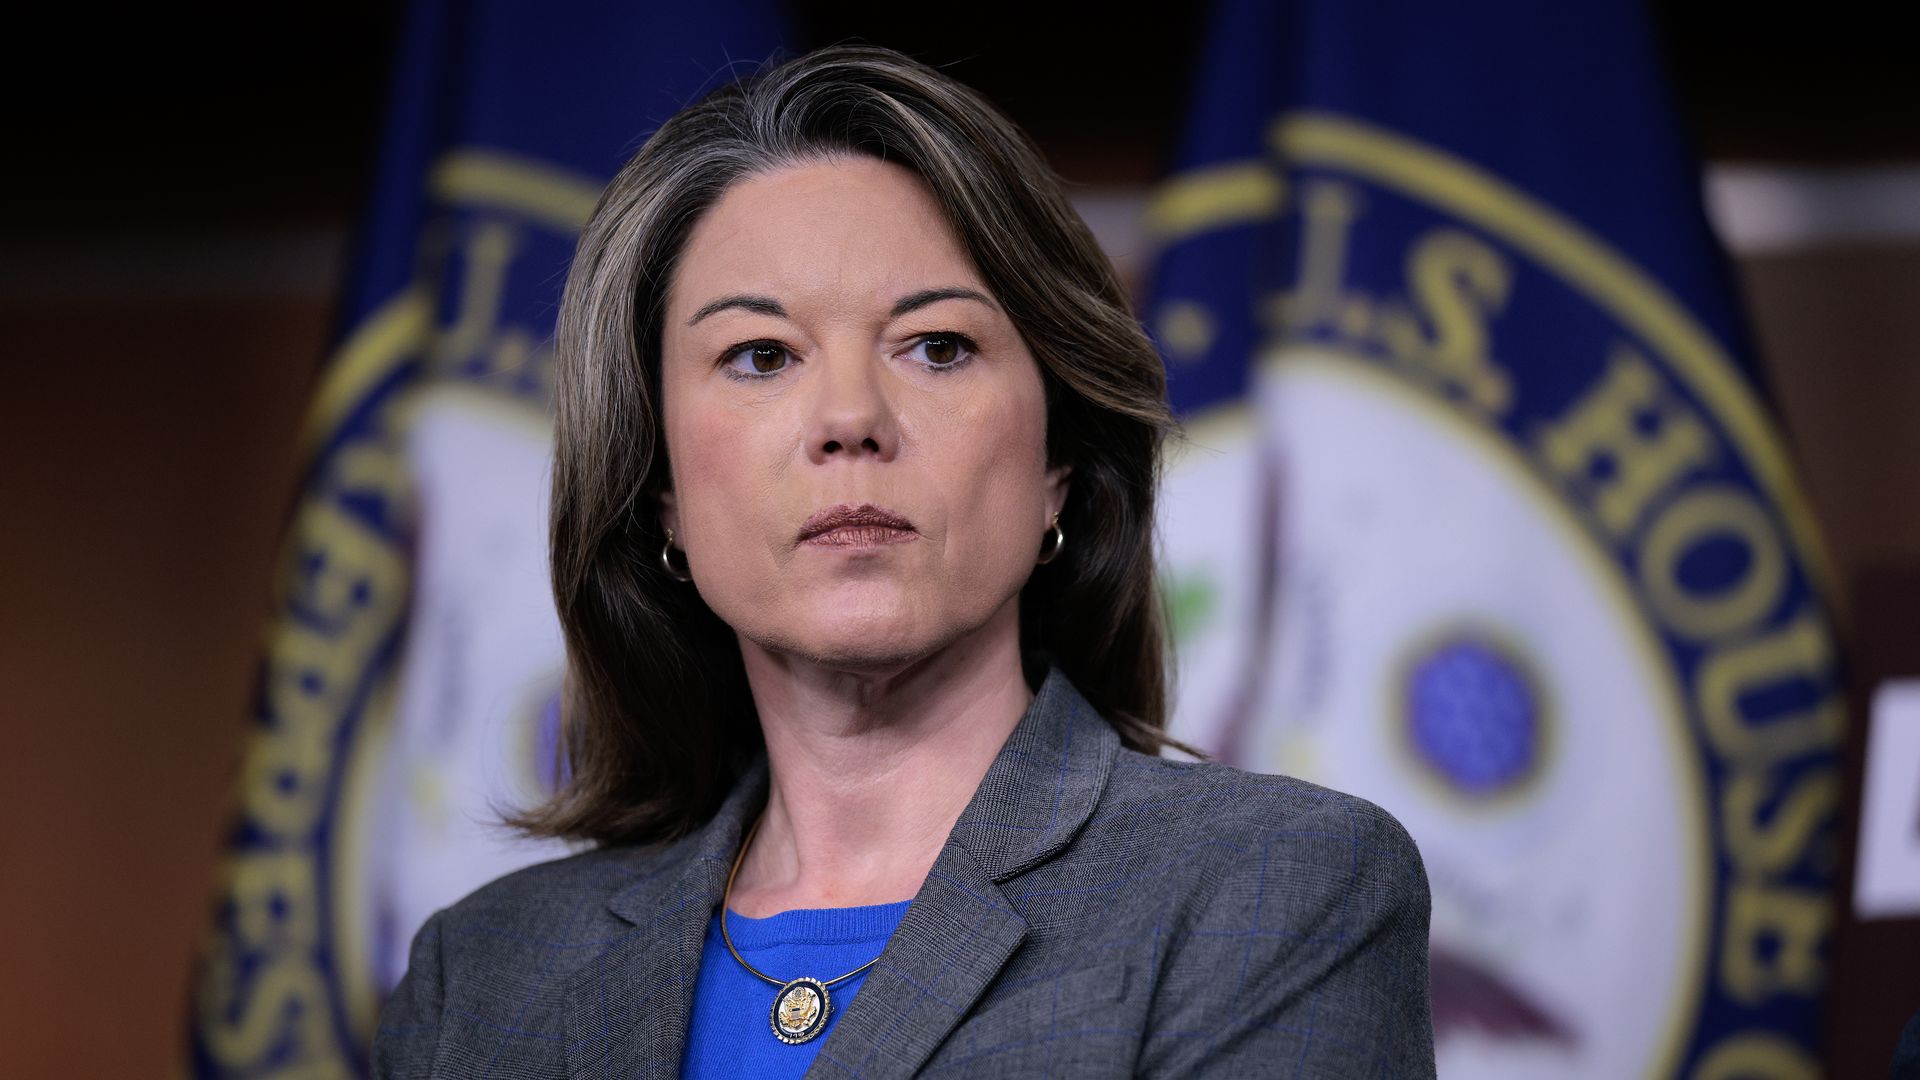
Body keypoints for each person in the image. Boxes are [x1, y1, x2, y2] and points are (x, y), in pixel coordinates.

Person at [370, 43, 1434, 1079]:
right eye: (760, 357)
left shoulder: (1274, 892)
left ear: (1057, 462)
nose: (849, 419)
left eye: (937, 348)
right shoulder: (483, 975)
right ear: (664, 491)